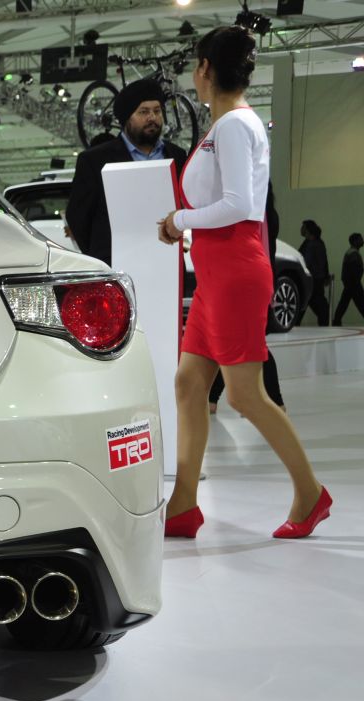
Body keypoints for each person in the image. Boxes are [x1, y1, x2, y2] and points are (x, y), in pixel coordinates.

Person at [157, 25, 329, 540]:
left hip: (234, 270)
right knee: (189, 383)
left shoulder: (234, 126)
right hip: (218, 273)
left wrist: (179, 221)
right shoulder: (228, 125)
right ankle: (184, 503)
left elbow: (238, 205)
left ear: (205, 69)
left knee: (244, 395)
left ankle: (310, 493)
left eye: (196, 66)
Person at [67, 77, 190, 265]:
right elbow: (78, 216)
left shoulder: (177, 155)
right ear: (126, 118)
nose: (152, 117)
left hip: (169, 260)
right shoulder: (95, 160)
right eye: (143, 112)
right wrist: (100, 256)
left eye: (157, 111)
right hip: (114, 264)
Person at [208, 184, 286, 413]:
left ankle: (276, 403)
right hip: (254, 282)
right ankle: (212, 398)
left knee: (252, 345)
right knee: (232, 342)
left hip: (247, 284)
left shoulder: (252, 214)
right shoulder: (266, 213)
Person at [297, 220, 330, 326]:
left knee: (304, 303)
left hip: (311, 279)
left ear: (307, 230)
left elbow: (306, 262)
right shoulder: (318, 242)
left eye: (303, 227)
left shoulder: (310, 244)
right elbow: (325, 261)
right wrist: (326, 275)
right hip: (316, 279)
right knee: (318, 305)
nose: (301, 229)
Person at [332, 232, 364, 326]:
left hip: (350, 284)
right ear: (354, 241)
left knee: (344, 303)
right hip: (354, 284)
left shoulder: (350, 252)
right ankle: (336, 321)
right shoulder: (354, 254)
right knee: (361, 303)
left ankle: (336, 321)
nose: (362, 241)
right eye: (360, 239)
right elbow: (354, 270)